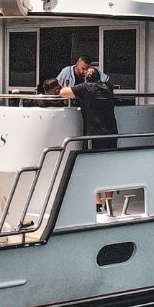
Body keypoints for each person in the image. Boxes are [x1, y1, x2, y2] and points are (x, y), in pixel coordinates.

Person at [60, 67, 119, 213]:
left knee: (93, 167)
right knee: (109, 168)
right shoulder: (108, 88)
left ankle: (97, 204)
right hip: (112, 133)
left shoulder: (86, 88)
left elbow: (63, 93)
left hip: (95, 134)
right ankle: (108, 203)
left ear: (86, 78)